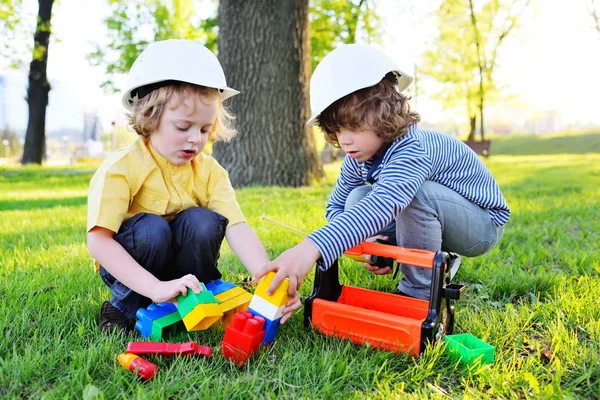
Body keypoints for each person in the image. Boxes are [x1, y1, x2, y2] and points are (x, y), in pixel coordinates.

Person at [257, 43, 510, 301]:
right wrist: (370, 244)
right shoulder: (359, 154)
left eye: (352, 127)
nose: (344, 140)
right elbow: (338, 205)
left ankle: (420, 291)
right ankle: (435, 261)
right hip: (439, 214)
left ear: (384, 114)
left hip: (482, 225)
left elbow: (383, 205)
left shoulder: (412, 150)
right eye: (335, 130)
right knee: (356, 199)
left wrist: (312, 247)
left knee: (415, 195)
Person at [87, 40, 300, 333]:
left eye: (204, 129)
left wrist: (267, 278)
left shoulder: (209, 171)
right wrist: (154, 286)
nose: (195, 139)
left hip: (181, 269)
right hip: (133, 267)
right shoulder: (121, 168)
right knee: (152, 229)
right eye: (183, 127)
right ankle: (124, 306)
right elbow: (98, 242)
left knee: (204, 221)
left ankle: (193, 297)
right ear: (150, 117)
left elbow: (237, 227)